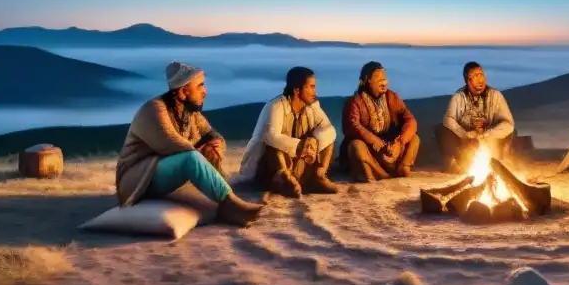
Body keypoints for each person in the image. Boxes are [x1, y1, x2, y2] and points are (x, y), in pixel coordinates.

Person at [115, 61, 264, 227]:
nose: (205, 92)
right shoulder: (154, 109)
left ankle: (223, 203)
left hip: (164, 174)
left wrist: (215, 146)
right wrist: (202, 151)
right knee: (190, 158)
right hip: (139, 178)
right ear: (183, 91)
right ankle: (229, 205)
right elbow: (171, 143)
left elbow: (213, 135)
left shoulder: (189, 112)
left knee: (206, 152)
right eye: (200, 86)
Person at [237, 66, 339, 197]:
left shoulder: (311, 107)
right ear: (297, 90)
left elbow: (329, 130)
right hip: (269, 169)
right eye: (311, 87)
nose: (315, 92)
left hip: (297, 162)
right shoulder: (276, 106)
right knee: (275, 143)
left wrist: (314, 141)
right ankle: (286, 179)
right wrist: (301, 145)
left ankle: (319, 176)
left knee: (328, 138)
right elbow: (271, 137)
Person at [338, 61, 419, 181]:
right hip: (371, 149)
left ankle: (403, 167)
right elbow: (353, 126)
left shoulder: (392, 97)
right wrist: (377, 143)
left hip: (390, 147)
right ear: (367, 80)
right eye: (379, 79)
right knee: (356, 146)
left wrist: (399, 142)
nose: (384, 83)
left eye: (385, 79)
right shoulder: (354, 102)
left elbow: (410, 120)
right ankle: (378, 173)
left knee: (414, 138)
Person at [435, 61, 516, 173]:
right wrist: (465, 135)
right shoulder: (459, 97)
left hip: (489, 139)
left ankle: (500, 162)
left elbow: (508, 123)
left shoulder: (495, 95)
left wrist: (487, 134)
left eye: (482, 75)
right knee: (441, 129)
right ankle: (457, 163)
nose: (480, 80)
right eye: (476, 76)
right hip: (466, 142)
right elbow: (448, 119)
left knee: (510, 131)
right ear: (468, 80)